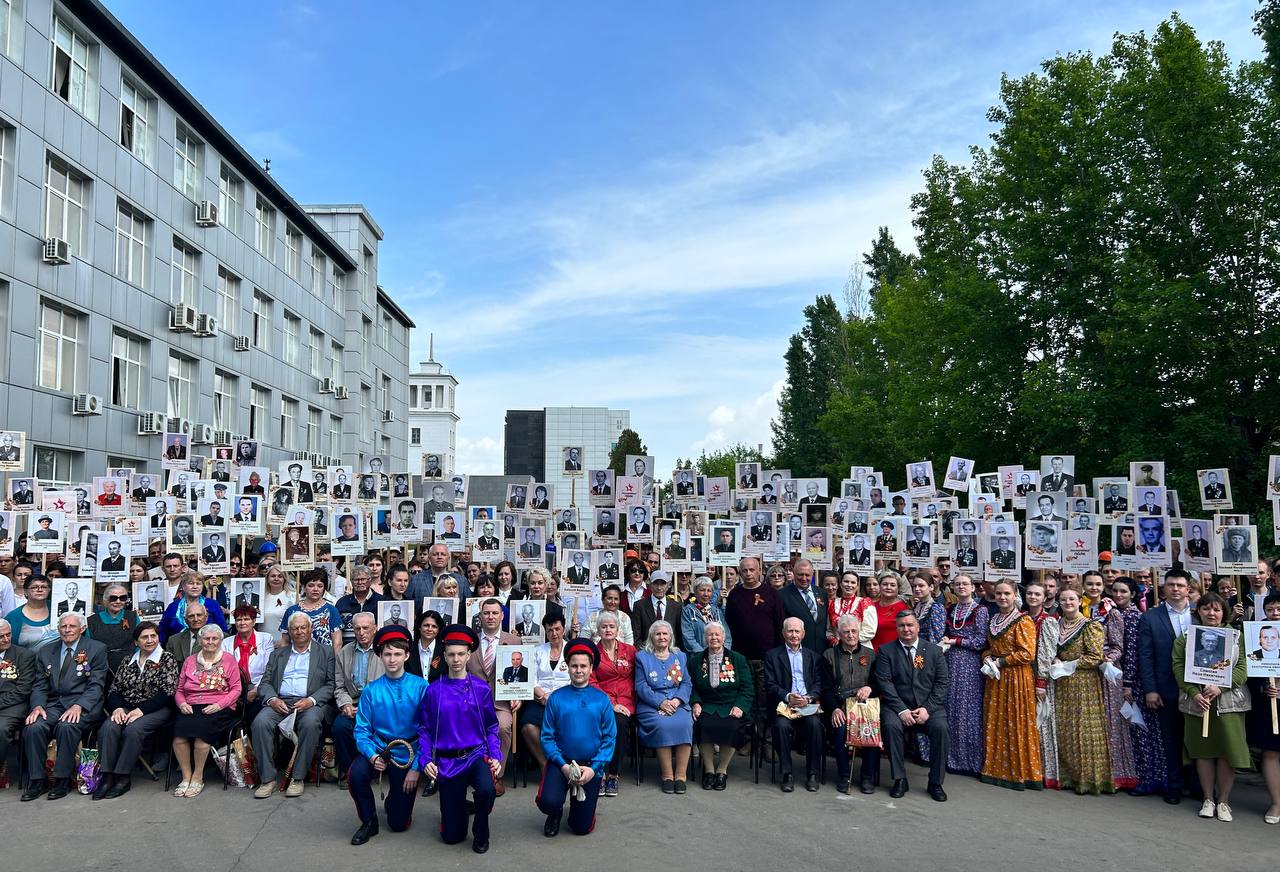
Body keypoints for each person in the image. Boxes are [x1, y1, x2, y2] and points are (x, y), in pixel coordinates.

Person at [419, 625, 502, 854]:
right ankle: (460, 809)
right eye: (451, 654)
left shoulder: (481, 688)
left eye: (460, 654)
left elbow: (492, 726)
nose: (456, 659)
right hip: (448, 762)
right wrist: (426, 760)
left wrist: (495, 755)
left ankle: (481, 829)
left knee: (487, 790)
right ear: (444, 656)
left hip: (476, 755)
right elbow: (425, 729)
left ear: (468, 655)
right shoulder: (434, 690)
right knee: (451, 837)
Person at [346, 624, 429, 845]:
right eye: (387, 654)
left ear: (407, 655)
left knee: (398, 824)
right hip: (380, 750)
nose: (392, 659)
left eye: (397, 654)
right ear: (380, 656)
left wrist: (415, 769)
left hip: (408, 755)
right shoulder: (371, 690)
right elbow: (361, 730)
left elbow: (428, 731)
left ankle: (396, 801)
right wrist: (372, 755)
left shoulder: (421, 687)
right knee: (356, 775)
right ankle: (369, 820)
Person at [1174, 592, 1250, 821]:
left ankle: (1224, 801)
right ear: (1199, 611)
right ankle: (1208, 799)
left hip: (1228, 704)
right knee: (1203, 752)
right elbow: (1178, 665)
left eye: (1216, 609)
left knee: (1228, 751)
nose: (1211, 613)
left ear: (1223, 612)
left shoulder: (1237, 636)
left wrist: (1221, 687)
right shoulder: (1187, 636)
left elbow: (1243, 667)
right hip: (1198, 703)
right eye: (1206, 609)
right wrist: (1193, 692)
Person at [20, 613, 109, 801]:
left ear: (82, 629)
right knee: (33, 727)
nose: (67, 630)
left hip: (84, 705)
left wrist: (79, 706)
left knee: (66, 727)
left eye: (72, 626)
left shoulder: (96, 649)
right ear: (58, 629)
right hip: (53, 705)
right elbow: (39, 684)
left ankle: (62, 780)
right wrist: (37, 706)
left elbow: (96, 685)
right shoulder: (46, 651)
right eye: (63, 626)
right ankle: (37, 780)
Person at [251, 612, 337, 799]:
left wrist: (311, 700)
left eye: (303, 627)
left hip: (309, 702)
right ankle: (267, 779)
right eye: (295, 628)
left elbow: (331, 684)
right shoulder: (278, 654)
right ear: (289, 632)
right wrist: (273, 699)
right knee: (260, 722)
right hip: (280, 702)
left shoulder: (326, 652)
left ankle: (298, 778)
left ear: (310, 629)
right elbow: (265, 683)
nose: (299, 632)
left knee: (310, 724)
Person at [537, 637, 616, 837]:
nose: (578, 670)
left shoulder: (602, 700)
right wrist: (562, 766)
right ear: (567, 667)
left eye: (583, 666)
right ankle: (555, 812)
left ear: (591, 669)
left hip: (590, 766)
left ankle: (579, 809)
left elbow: (609, 738)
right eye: (574, 666)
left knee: (580, 828)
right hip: (561, 763)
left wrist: (594, 768)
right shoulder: (556, 698)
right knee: (548, 802)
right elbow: (547, 737)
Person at [874, 610, 949, 800]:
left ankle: (936, 782)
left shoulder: (934, 650)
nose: (906, 629)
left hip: (928, 707)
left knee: (941, 728)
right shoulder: (886, 651)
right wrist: (901, 709)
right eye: (901, 626)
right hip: (897, 706)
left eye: (910, 625)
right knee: (890, 726)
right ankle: (899, 779)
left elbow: (942, 683)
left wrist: (927, 709)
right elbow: (885, 683)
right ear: (896, 628)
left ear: (917, 627)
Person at [1048, 588, 1113, 794]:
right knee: (1065, 729)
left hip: (1084, 683)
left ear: (1079, 601)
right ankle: (1067, 776)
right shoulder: (1055, 624)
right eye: (1063, 599)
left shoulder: (1089, 625)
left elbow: (1095, 657)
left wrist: (1067, 663)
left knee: (1084, 729)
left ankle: (1088, 780)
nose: (1068, 602)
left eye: (1072, 599)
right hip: (1062, 683)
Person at [979, 581, 1043, 790]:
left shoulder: (1023, 620)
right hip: (996, 678)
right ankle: (997, 769)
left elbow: (1027, 653)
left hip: (1017, 677)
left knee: (1017, 720)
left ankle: (1020, 773)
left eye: (1007, 593)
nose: (1002, 597)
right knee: (996, 719)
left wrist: (1001, 661)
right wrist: (988, 658)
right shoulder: (994, 618)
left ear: (1015, 595)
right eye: (998, 593)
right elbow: (990, 648)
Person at [1138, 568, 1194, 803]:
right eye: (1171, 585)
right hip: (1166, 688)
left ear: (1188, 588)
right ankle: (1174, 785)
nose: (1175, 589)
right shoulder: (1151, 617)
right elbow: (1146, 656)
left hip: (1196, 689)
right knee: (1171, 739)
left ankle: (1198, 785)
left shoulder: (1201, 615)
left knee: (1194, 740)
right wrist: (1150, 689)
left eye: (1180, 585)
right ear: (1164, 587)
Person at [170, 624, 240, 797]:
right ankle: (186, 777)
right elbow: (179, 690)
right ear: (200, 641)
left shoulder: (229, 660)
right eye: (206, 638)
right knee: (179, 737)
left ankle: (198, 777)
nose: (210, 642)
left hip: (219, 705)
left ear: (220, 641)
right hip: (191, 705)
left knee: (202, 735)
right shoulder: (190, 660)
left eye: (214, 639)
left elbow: (236, 689)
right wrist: (181, 703)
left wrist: (219, 705)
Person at [764, 617, 826, 793]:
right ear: (783, 633)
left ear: (803, 634)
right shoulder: (772, 656)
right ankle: (787, 774)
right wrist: (788, 696)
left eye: (797, 631)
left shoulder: (813, 657)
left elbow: (818, 683)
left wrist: (809, 697)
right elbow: (770, 684)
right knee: (781, 726)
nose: (793, 635)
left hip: (807, 704)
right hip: (784, 705)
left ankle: (812, 774)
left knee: (814, 724)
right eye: (790, 631)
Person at [633, 619, 693, 793]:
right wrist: (660, 702)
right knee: (663, 725)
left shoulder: (680, 656)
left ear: (670, 636)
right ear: (651, 636)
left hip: (677, 703)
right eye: (658, 634)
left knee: (685, 724)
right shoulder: (642, 657)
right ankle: (667, 775)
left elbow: (687, 683)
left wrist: (677, 701)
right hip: (651, 704)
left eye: (665, 634)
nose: (661, 637)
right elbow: (641, 686)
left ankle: (681, 776)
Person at [822, 613, 878, 794]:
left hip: (865, 706)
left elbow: (880, 682)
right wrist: (834, 709)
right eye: (846, 632)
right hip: (841, 704)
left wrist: (870, 688)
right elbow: (826, 687)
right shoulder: (829, 655)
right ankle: (844, 775)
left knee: (870, 730)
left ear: (859, 631)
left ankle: (867, 776)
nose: (851, 635)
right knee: (839, 729)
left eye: (854, 631)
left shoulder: (871, 655)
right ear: (839, 634)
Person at [469, 599, 520, 791]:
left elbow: (521, 677)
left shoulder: (514, 641)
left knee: (503, 727)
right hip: (473, 701)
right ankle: (471, 774)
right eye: (486, 613)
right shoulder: (471, 641)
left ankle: (496, 776)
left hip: (502, 702)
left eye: (494, 613)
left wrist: (519, 698)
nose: (490, 617)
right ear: (480, 617)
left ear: (502, 616)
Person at [942, 574, 988, 775]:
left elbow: (981, 641)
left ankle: (971, 761)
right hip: (951, 661)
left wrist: (957, 642)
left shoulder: (980, 610)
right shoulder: (950, 608)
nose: (961, 587)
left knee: (968, 710)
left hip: (969, 664)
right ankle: (952, 758)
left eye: (965, 584)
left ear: (972, 587)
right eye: (957, 583)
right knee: (952, 707)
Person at [333, 613, 384, 783]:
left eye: (366, 628)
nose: (361, 632)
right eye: (357, 629)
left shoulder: (385, 651)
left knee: (379, 730)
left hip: (377, 706)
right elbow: (339, 686)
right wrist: (345, 704)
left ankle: (373, 768)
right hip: (352, 704)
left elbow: (390, 686)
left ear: (375, 629)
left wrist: (366, 708)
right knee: (340, 728)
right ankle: (351, 773)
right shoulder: (345, 652)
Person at [590, 612, 635, 798]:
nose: (608, 630)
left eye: (611, 626)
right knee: (595, 723)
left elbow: (639, 677)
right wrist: (611, 703)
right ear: (598, 630)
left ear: (618, 629)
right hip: (602, 701)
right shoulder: (593, 653)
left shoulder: (630, 651)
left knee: (620, 723)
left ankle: (613, 775)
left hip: (627, 701)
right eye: (604, 627)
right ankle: (599, 772)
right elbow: (591, 681)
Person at [1101, 577, 1139, 790]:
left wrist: (1128, 683)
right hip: (1108, 674)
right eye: (1115, 590)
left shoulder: (1133, 616)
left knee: (1121, 724)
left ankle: (1123, 773)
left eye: (1123, 591)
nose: (1118, 595)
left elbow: (1130, 652)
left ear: (1132, 594)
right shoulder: (1107, 611)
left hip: (1122, 677)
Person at [1246, 594, 1280, 824]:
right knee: (1270, 752)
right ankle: (1277, 803)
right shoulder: (1255, 643)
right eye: (1271, 609)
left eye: (1279, 609)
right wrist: (1263, 688)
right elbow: (1249, 674)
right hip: (1269, 705)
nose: (1275, 613)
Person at [159, 572, 228, 644]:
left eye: (198, 584)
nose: (195, 587)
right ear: (183, 586)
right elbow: (163, 631)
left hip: (208, 647)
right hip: (178, 649)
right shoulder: (173, 606)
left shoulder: (212, 604)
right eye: (191, 583)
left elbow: (222, 630)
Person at [86, 583, 141, 672]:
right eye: (113, 598)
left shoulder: (133, 617)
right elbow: (88, 647)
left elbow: (140, 643)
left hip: (129, 667)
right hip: (101, 667)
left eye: (122, 598)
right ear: (105, 601)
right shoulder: (92, 621)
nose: (118, 601)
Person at [280, 570, 342, 648]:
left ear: (324, 589)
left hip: (324, 658)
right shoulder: (291, 611)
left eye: (320, 586)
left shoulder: (331, 610)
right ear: (304, 587)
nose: (315, 589)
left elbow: (337, 643)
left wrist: (335, 660)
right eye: (311, 585)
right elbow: (285, 641)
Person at [681, 577, 731, 653]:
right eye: (702, 590)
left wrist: (724, 652)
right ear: (695, 592)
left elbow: (726, 635)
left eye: (709, 591)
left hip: (719, 656)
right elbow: (688, 638)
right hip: (698, 657)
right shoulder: (688, 611)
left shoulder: (717, 611)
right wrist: (704, 655)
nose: (706, 594)